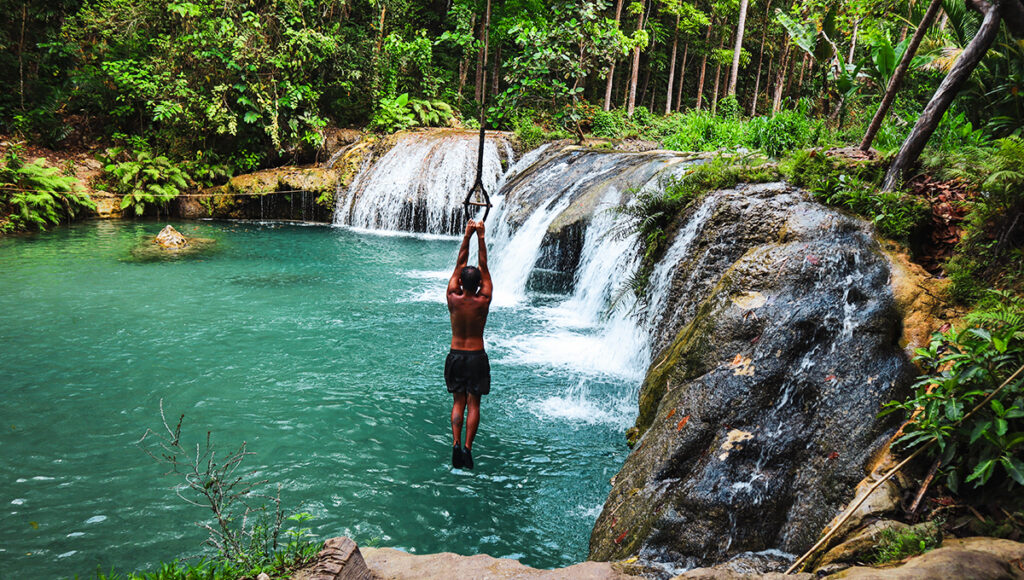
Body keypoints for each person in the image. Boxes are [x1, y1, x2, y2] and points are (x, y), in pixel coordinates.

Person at [444, 219, 493, 470]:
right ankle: (468, 448)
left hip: (455, 355)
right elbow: (483, 266)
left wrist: (467, 236)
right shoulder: (484, 299)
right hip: (476, 356)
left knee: (458, 403)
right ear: (479, 284)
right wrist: (481, 237)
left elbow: (459, 264)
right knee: (474, 403)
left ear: (461, 283)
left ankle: (454, 443)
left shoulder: (453, 296)